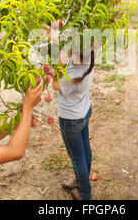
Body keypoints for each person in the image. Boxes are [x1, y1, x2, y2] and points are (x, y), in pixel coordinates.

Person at [52, 48, 95, 200]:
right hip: (84, 111)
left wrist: (55, 68)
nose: (68, 52)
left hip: (70, 120)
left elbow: (55, 85)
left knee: (77, 158)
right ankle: (80, 181)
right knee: (85, 149)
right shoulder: (89, 60)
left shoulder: (71, 75)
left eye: (71, 51)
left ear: (76, 55)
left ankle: (85, 195)